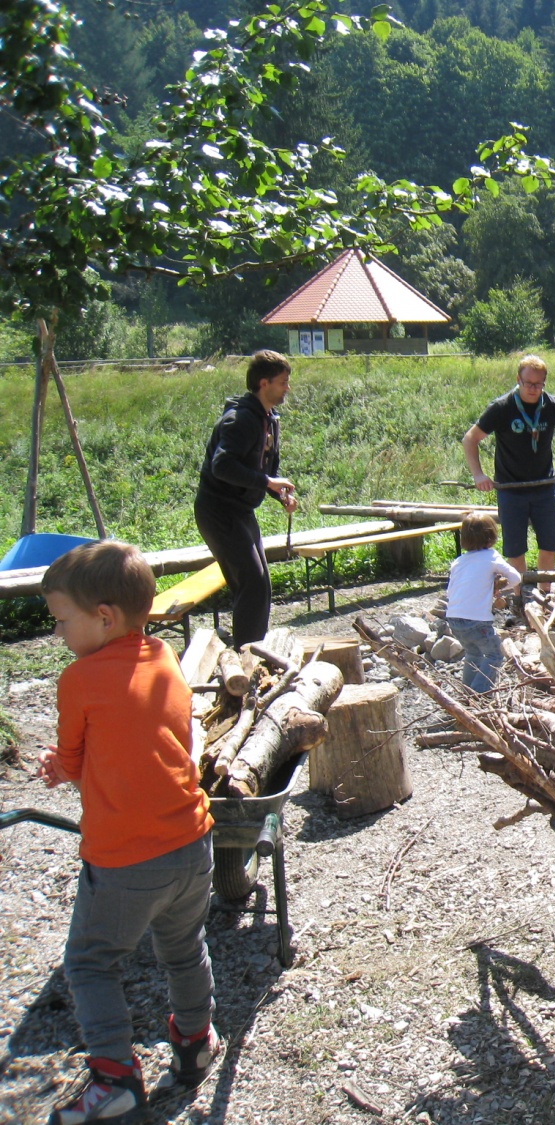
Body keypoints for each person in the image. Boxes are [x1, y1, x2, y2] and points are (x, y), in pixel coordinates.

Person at [36, 541, 218, 1123]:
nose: (61, 633)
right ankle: (194, 1044)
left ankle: (113, 1078)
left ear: (104, 617)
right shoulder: (164, 657)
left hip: (124, 861)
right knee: (184, 947)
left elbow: (71, 756)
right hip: (193, 844)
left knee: (91, 961)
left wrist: (59, 767)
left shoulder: (80, 678)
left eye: (63, 621)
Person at [194, 349, 298, 648]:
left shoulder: (269, 419)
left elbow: (265, 469)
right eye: (282, 382)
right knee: (251, 581)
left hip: (240, 511)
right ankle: (246, 655)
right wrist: (267, 481)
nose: (287, 388)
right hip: (218, 511)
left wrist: (280, 494)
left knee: (260, 582)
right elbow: (222, 466)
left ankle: (256, 648)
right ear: (263, 383)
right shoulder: (240, 419)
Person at [460, 355, 555, 585]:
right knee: (515, 550)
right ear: (518, 379)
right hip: (510, 489)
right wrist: (478, 475)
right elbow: (470, 439)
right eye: (528, 383)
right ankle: (518, 598)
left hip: (544, 488)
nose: (533, 389)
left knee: (550, 545)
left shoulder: (551, 405)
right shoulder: (502, 407)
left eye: (539, 384)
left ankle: (545, 595)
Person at [445, 513, 523, 691]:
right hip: (476, 620)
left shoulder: (458, 562)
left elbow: (450, 592)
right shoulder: (491, 557)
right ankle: (480, 693)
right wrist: (499, 589)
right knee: (495, 655)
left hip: (454, 618)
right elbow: (515, 577)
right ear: (492, 536)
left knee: (473, 653)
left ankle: (467, 692)